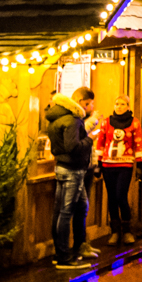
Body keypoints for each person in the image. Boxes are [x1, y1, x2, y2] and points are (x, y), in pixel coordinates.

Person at [45, 86, 96, 269]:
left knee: (61, 211)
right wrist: (89, 140)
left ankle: (63, 252)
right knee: (66, 213)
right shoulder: (73, 120)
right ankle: (64, 257)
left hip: (61, 167)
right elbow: (72, 146)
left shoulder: (56, 118)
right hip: (73, 169)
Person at [94, 95, 142, 244]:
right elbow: (100, 143)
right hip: (108, 165)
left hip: (125, 164)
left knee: (121, 196)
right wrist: (98, 164)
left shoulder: (134, 123)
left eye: (123, 104)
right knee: (112, 198)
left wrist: (139, 165)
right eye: (117, 104)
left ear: (128, 106)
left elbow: (138, 144)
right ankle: (114, 232)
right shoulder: (106, 122)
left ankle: (127, 231)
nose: (119, 106)